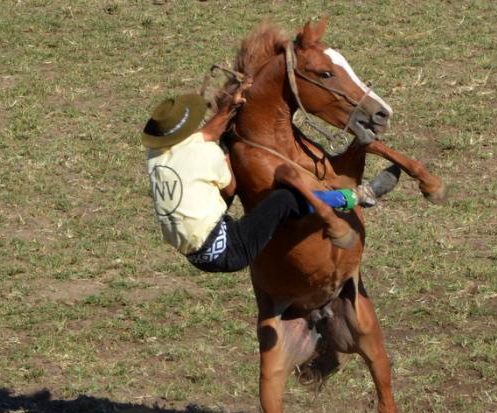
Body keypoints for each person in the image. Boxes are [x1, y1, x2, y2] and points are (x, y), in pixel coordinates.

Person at [142, 81, 399, 273]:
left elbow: (207, 135)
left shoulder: (156, 156)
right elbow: (230, 188)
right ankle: (357, 195)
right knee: (283, 200)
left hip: (198, 253)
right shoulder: (203, 153)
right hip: (226, 250)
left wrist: (229, 109)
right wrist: (227, 155)